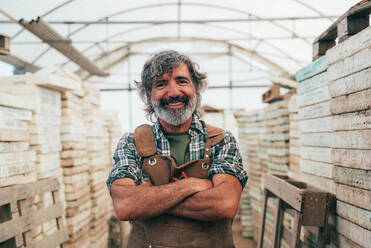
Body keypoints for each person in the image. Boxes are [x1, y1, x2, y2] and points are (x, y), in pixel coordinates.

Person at [106, 50, 248, 248]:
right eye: (161, 84)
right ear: (149, 96)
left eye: (182, 81)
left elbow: (224, 204)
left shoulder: (221, 141)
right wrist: (191, 186)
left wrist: (149, 198)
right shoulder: (132, 143)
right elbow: (124, 205)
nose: (173, 92)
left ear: (196, 89)